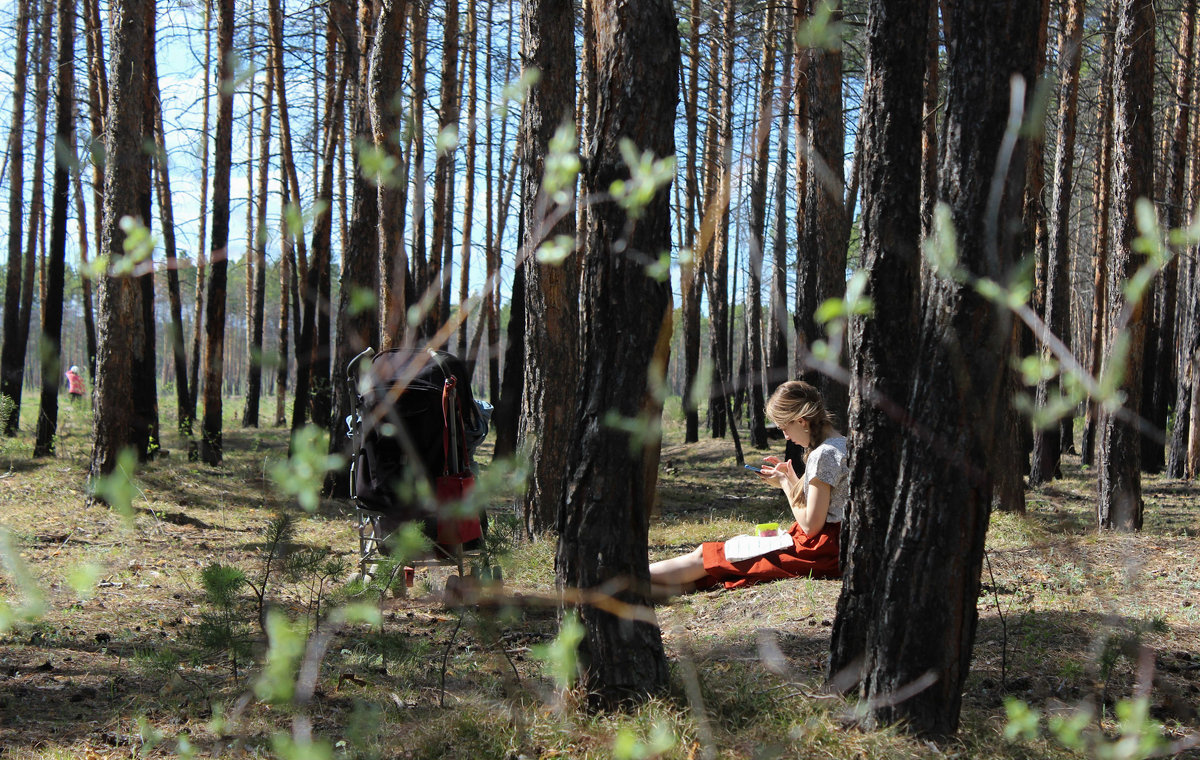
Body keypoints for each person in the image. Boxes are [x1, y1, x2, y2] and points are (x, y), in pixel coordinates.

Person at [649, 380, 848, 594]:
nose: (786, 437)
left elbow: (811, 526)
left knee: (708, 556)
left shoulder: (823, 454)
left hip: (819, 551)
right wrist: (792, 479)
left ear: (801, 421)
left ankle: (628, 575)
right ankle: (633, 588)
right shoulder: (842, 443)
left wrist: (784, 485)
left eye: (784, 428)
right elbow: (828, 504)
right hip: (828, 548)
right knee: (715, 571)